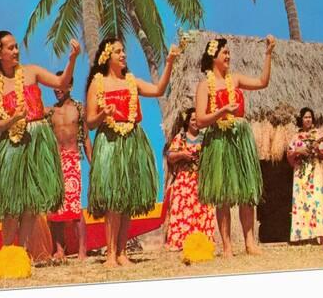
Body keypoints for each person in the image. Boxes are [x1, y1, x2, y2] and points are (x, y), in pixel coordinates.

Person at [0, 30, 80, 253]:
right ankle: (8, 252)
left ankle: (22, 254)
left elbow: (61, 81)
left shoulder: (31, 72)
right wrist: (13, 118)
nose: (16, 51)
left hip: (38, 139)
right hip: (13, 144)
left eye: (16, 46)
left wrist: (72, 59)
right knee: (10, 204)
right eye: (11, 48)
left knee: (30, 203)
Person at [85, 38, 180, 267]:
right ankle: (110, 254)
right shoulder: (98, 84)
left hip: (132, 142)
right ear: (107, 56)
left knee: (126, 200)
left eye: (124, 50)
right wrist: (103, 114)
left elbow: (158, 89)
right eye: (118, 51)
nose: (123, 54)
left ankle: (121, 252)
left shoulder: (132, 81)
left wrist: (168, 63)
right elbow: (89, 122)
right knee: (113, 200)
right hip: (109, 142)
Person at [195, 35, 275, 257]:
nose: (229, 56)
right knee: (223, 194)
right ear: (214, 57)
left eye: (229, 52)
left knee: (245, 192)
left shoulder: (236, 79)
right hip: (218, 139)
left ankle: (250, 243)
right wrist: (222, 111)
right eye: (225, 53)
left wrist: (268, 53)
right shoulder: (204, 86)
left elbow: (262, 82)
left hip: (240, 137)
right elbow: (200, 119)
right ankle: (227, 246)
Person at [45, 71, 93, 262]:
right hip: (55, 163)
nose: (57, 89)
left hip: (73, 159)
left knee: (74, 208)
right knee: (55, 207)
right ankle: (59, 250)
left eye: (61, 85)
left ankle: (82, 251)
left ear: (69, 85)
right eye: (55, 86)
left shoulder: (79, 109)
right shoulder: (50, 112)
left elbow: (87, 139)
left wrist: (94, 164)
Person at [165, 108, 216, 251]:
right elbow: (170, 156)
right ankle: (180, 243)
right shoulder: (180, 138)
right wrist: (182, 154)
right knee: (182, 210)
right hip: (184, 181)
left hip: (201, 180)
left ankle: (202, 243)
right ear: (187, 122)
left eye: (198, 120)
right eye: (193, 120)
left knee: (203, 210)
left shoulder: (206, 137)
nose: (196, 122)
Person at [286, 107, 323, 245]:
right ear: (301, 119)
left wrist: (317, 149)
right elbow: (289, 158)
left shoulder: (318, 134)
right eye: (305, 117)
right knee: (301, 202)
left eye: (310, 117)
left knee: (318, 201)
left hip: (315, 171)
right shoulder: (295, 137)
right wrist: (297, 151)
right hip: (300, 174)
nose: (308, 119)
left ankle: (322, 236)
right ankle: (302, 237)